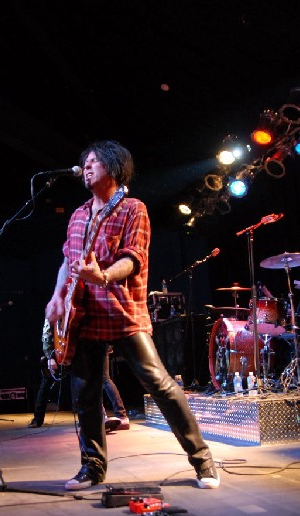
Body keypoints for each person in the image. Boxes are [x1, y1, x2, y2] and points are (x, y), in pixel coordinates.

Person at [45, 140, 220, 491]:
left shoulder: (132, 209)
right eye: (86, 161)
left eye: (94, 161)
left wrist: (104, 275)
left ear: (113, 167)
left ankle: (203, 462)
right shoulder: (79, 215)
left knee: (160, 384)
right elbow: (68, 260)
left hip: (122, 312)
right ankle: (91, 469)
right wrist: (56, 296)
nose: (87, 166)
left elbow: (134, 257)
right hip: (82, 316)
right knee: (85, 394)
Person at [28, 322, 128, 431]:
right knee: (48, 383)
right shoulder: (59, 306)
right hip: (63, 350)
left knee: (90, 382)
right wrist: (50, 356)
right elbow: (47, 333)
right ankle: (38, 419)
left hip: (80, 349)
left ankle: (97, 418)